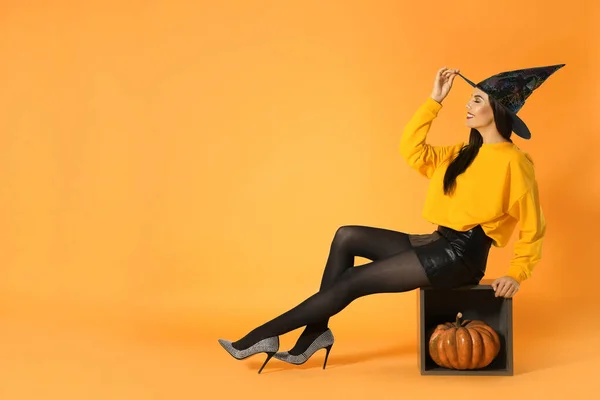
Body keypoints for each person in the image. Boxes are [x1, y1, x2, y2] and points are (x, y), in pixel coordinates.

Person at [218, 64, 565, 374]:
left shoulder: (515, 163)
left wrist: (517, 273)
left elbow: (534, 226)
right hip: (437, 242)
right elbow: (412, 150)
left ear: (497, 109)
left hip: (460, 257)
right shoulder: (463, 153)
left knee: (353, 280)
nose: (467, 105)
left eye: (475, 100)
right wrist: (434, 101)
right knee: (347, 235)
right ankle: (315, 333)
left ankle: (263, 335)